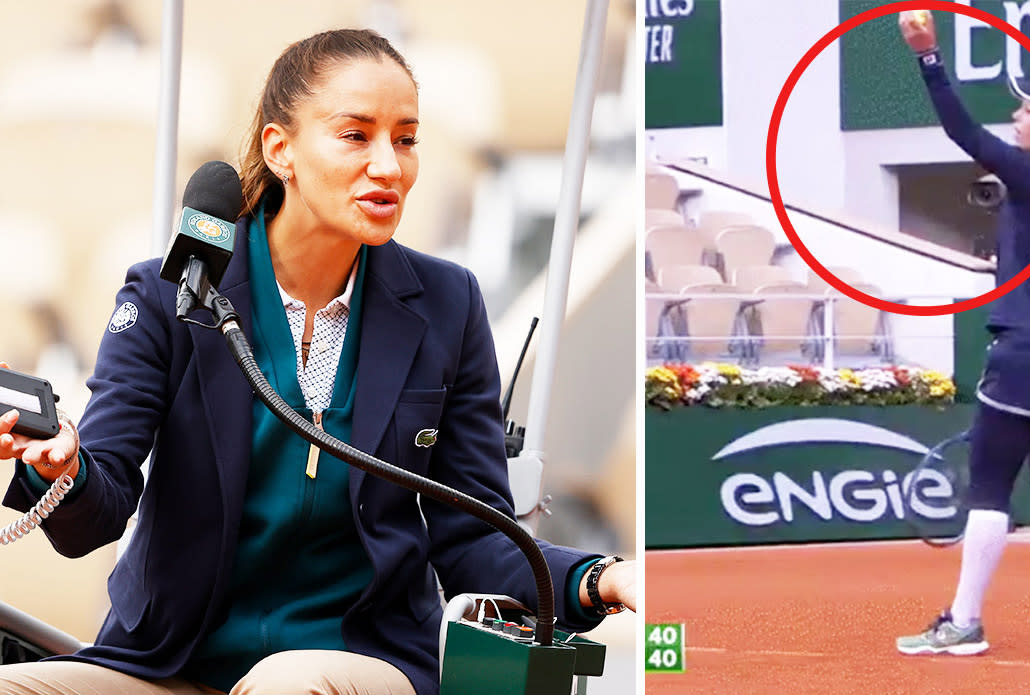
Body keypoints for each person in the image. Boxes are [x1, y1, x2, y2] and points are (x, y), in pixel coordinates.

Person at [0, 28, 638, 695]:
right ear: (282, 150)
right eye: (356, 135)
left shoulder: (450, 305)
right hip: (170, 663)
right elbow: (97, 511)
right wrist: (64, 468)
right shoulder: (170, 295)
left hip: (361, 661)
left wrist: (598, 577)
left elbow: (475, 541)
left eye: (407, 138)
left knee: (286, 683)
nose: (390, 165)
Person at [892, 12, 1030, 657]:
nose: (1015, 119)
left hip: (1024, 354)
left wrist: (929, 57)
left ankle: (962, 623)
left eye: (1025, 111)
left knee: (989, 489)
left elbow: (961, 130)